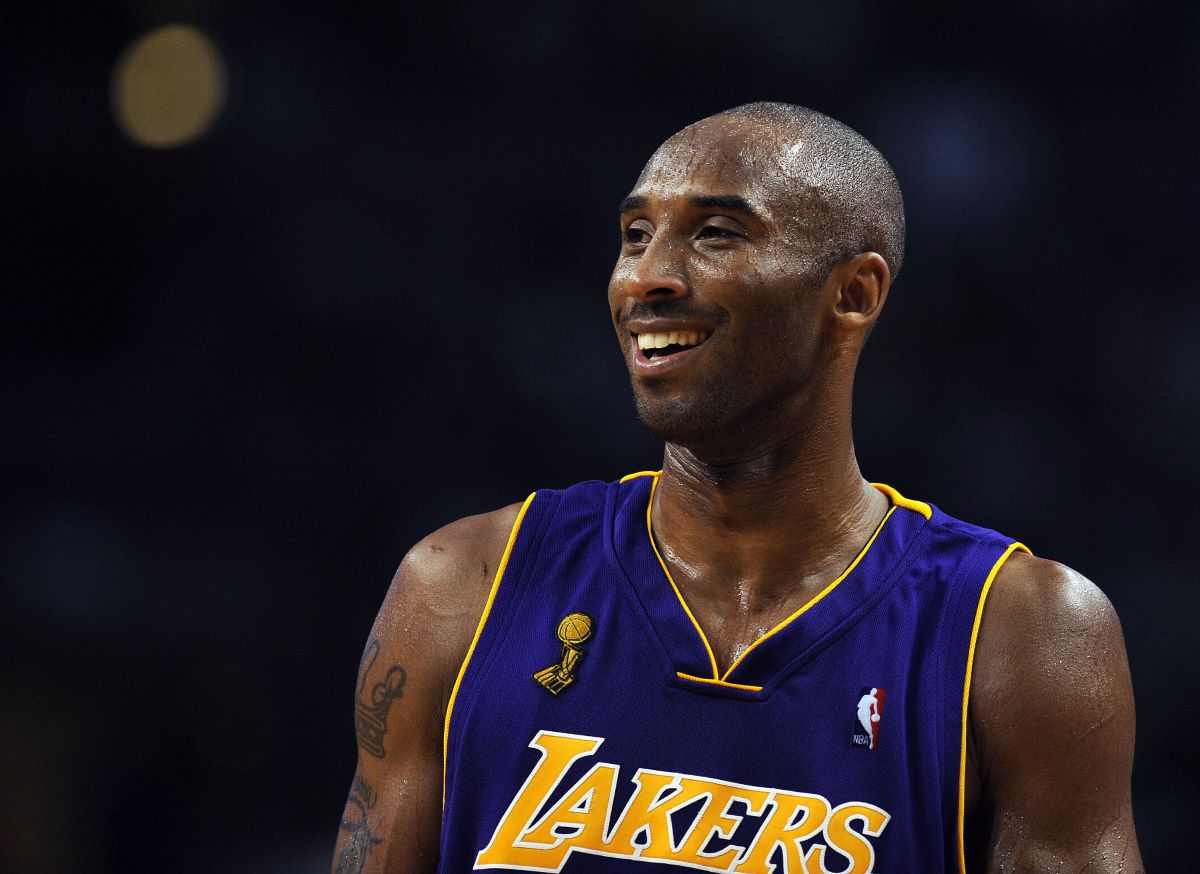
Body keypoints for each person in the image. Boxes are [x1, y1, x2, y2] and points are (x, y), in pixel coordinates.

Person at [331, 102, 1142, 873]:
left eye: (716, 235)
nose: (645, 278)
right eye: (635, 235)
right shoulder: (463, 586)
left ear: (854, 294)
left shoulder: (1018, 632)